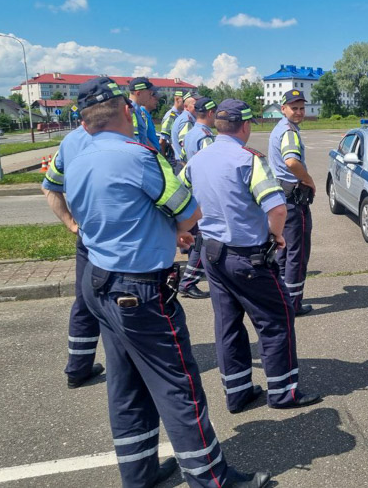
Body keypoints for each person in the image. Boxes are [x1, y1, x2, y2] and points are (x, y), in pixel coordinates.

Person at [67, 78, 269, 488]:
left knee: (126, 388)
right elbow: (187, 211)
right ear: (127, 110)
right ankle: (212, 479)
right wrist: (173, 228)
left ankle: (139, 475)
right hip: (138, 289)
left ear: (85, 120)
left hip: (97, 279)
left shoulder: (76, 156)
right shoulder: (139, 156)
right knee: (179, 388)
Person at [183, 99, 321, 412]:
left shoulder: (197, 160)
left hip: (212, 254)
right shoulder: (248, 160)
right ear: (245, 126)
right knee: (276, 319)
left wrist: (189, 230)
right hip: (247, 257)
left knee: (228, 325)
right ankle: (284, 391)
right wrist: (275, 236)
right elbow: (276, 206)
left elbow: (182, 203)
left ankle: (238, 392)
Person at [42, 124, 104, 390]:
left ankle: (78, 368)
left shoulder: (70, 142)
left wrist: (70, 223)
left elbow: (49, 186)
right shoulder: (124, 139)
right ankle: (136, 368)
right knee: (128, 302)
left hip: (87, 235)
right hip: (123, 239)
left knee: (84, 300)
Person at [267, 89, 314, 316]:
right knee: (297, 252)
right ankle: (293, 304)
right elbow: (292, 161)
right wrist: (309, 180)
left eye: (301, 108)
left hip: (281, 196)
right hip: (293, 199)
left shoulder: (280, 128)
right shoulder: (289, 133)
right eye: (293, 108)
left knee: (283, 251)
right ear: (283, 108)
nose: (298, 112)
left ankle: (281, 297)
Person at [178, 99, 217, 299]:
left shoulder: (191, 133)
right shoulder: (206, 137)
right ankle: (188, 281)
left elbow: (185, 161)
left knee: (199, 237)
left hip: (192, 190)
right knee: (202, 238)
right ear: (210, 113)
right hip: (204, 193)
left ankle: (190, 280)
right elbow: (212, 165)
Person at [172, 93, 214, 170]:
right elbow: (185, 146)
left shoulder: (185, 118)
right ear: (186, 107)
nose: (198, 106)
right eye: (195, 104)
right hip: (185, 165)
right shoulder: (187, 121)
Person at [129, 77, 161, 150]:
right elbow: (135, 143)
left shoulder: (138, 111)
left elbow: (144, 138)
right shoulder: (130, 112)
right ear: (138, 93)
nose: (151, 96)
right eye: (150, 93)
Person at [160, 91, 184, 163]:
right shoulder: (171, 116)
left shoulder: (180, 114)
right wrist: (163, 160)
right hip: (173, 156)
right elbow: (163, 140)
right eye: (184, 101)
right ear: (177, 100)